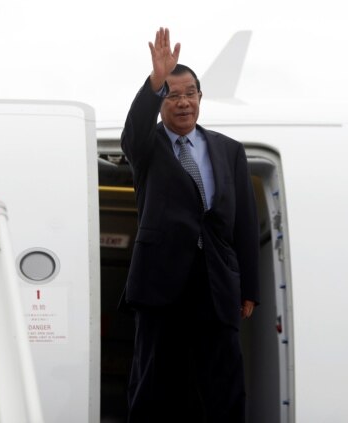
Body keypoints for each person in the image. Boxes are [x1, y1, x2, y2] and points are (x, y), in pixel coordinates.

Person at [120, 27, 260, 423]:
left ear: (200, 97)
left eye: (189, 94)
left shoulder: (228, 149)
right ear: (162, 101)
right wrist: (154, 82)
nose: (182, 103)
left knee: (225, 385)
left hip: (216, 283)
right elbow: (132, 131)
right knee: (154, 384)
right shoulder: (146, 148)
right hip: (160, 284)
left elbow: (244, 222)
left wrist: (247, 286)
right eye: (173, 95)